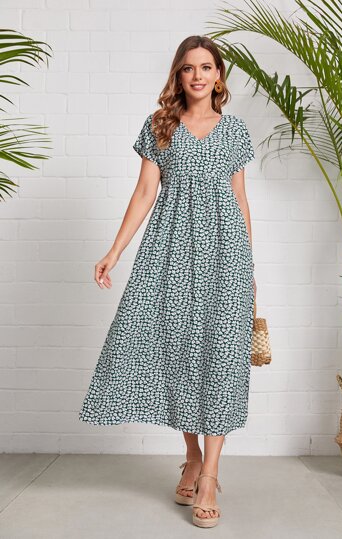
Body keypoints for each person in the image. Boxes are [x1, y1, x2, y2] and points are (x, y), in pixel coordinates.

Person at [78, 34, 256, 529]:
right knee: (178, 353)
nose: (197, 75)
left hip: (226, 257)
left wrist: (250, 269)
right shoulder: (160, 125)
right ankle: (192, 456)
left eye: (206, 67)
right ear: (178, 75)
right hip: (170, 254)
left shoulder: (235, 131)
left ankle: (210, 476)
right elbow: (144, 192)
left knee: (221, 359)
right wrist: (114, 251)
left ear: (218, 76)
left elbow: (240, 200)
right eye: (188, 67)